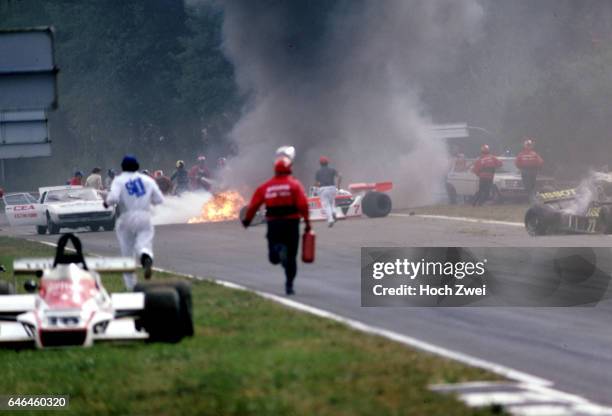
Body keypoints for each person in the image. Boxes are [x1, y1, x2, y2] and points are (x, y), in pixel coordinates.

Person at [242, 156, 311, 296]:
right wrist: (308, 223)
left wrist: (247, 221)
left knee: (273, 258)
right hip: (292, 225)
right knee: (292, 257)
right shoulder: (295, 185)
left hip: (274, 224)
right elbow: (303, 205)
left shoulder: (266, 187)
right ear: (289, 169)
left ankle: (278, 250)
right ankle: (289, 286)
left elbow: (254, 205)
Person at [104, 155, 164, 290]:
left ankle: (132, 287)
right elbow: (159, 199)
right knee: (144, 242)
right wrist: (149, 202)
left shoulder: (119, 180)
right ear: (137, 166)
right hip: (144, 217)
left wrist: (105, 203)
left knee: (127, 253)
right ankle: (145, 255)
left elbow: (113, 198)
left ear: (122, 167)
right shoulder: (147, 180)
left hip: (126, 218)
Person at [315, 156, 342, 227]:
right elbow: (340, 175)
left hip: (323, 189)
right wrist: (338, 185)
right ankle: (334, 212)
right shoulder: (332, 169)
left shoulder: (318, 172)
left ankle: (330, 220)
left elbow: (317, 183)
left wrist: (317, 189)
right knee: (332, 203)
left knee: (326, 205)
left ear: (320, 163)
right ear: (328, 162)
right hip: (332, 188)